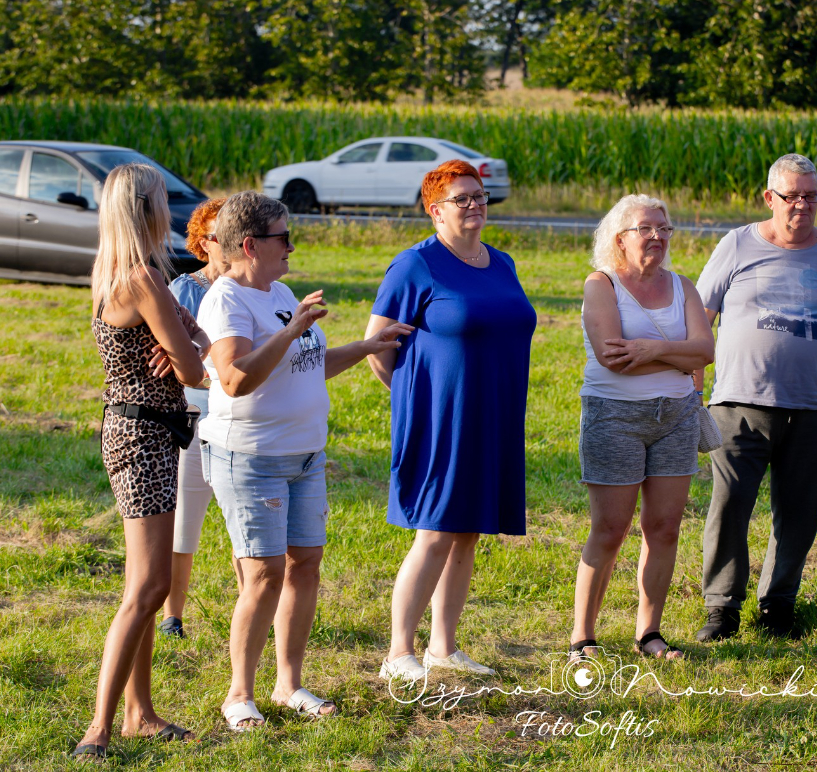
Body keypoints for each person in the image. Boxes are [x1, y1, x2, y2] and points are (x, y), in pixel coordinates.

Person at [198, 192, 411, 731]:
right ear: (249, 245)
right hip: (252, 458)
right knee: (264, 575)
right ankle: (238, 696)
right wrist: (292, 329)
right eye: (282, 237)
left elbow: (307, 367)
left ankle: (289, 683)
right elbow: (235, 379)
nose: (292, 246)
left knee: (304, 566)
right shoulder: (227, 301)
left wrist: (366, 347)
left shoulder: (279, 291)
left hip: (305, 456)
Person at [694, 154, 817, 642]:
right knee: (729, 509)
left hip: (811, 406)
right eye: (792, 196)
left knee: (799, 513)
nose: (802, 204)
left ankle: (779, 605)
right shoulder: (737, 244)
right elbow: (701, 312)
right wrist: (693, 386)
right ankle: (722, 608)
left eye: (811, 195)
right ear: (770, 198)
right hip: (739, 403)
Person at [366, 159, 537, 682]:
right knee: (436, 531)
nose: (474, 206)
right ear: (435, 211)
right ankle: (398, 653)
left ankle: (443, 646)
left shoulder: (502, 263)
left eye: (479, 197)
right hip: (442, 420)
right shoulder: (416, 266)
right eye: (461, 199)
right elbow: (378, 347)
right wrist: (422, 399)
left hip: (495, 416)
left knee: (468, 533)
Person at [74, 164, 210, 758]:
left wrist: (180, 344)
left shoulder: (134, 273)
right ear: (144, 208)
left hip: (146, 431)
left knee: (147, 586)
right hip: (142, 438)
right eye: (162, 198)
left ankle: (141, 714)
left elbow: (199, 341)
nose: (171, 206)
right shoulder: (144, 280)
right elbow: (196, 368)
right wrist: (178, 349)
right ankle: (99, 729)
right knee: (148, 585)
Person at [570, 195, 715, 661]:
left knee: (665, 529)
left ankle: (649, 633)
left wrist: (651, 350)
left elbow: (706, 352)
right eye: (645, 228)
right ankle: (583, 638)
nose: (657, 236)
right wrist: (677, 354)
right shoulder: (601, 285)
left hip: (676, 417)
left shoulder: (682, 286)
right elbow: (614, 359)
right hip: (614, 416)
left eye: (664, 228)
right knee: (610, 529)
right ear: (620, 238)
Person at [159, 197, 227, 640]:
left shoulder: (257, 290)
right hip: (193, 419)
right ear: (203, 242)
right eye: (223, 234)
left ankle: (253, 607)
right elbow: (168, 357)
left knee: (247, 525)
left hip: (242, 421)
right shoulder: (185, 291)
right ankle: (172, 617)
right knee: (184, 522)